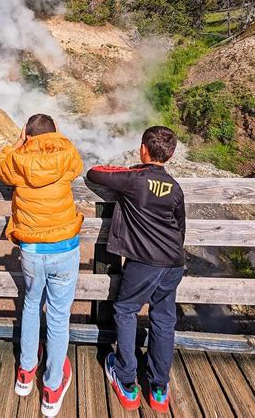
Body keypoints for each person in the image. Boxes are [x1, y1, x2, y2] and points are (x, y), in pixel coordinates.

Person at [87, 126, 185, 414]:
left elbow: (95, 172)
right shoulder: (175, 187)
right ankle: (158, 388)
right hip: (173, 263)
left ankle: (127, 381)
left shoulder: (134, 179)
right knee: (164, 320)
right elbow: (180, 226)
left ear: (143, 149)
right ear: (171, 155)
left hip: (145, 262)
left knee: (126, 310)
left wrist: (128, 168)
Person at [0, 114, 83, 417]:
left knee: (31, 305)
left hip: (31, 248)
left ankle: (25, 374)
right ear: (54, 135)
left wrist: (17, 143)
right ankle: (52, 389)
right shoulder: (66, 154)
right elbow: (78, 164)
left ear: (27, 136)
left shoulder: (18, 162)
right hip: (65, 247)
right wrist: (56, 138)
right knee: (58, 316)